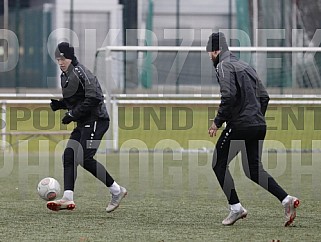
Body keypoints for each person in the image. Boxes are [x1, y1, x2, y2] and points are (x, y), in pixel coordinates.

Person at [206, 32, 300, 226]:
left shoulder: (223, 65)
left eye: (209, 52)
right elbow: (264, 97)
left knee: (218, 163)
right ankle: (287, 200)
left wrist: (217, 121)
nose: (209, 56)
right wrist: (255, 118)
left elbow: (229, 96)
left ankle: (236, 208)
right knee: (253, 170)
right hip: (258, 125)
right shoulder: (246, 66)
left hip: (241, 125)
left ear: (216, 50)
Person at [47, 42, 127, 212]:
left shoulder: (82, 73)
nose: (60, 62)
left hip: (97, 119)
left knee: (84, 158)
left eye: (63, 58)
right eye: (58, 59)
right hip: (84, 122)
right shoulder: (64, 76)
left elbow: (94, 98)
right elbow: (75, 101)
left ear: (70, 57)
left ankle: (117, 191)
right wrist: (61, 105)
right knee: (69, 155)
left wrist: (72, 115)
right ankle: (68, 198)